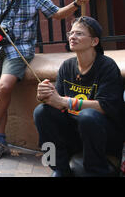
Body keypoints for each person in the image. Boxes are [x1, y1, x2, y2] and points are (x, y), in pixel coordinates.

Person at [0, 0, 90, 161]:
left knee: (4, 88)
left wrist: (76, 3)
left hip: (20, 50)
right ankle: (0, 142)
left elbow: (56, 14)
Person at [34, 16, 124, 177]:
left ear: (94, 42)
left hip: (103, 135)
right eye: (71, 33)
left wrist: (64, 101)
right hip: (75, 133)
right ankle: (59, 168)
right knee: (41, 111)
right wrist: (45, 95)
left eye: (79, 34)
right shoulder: (67, 66)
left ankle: (96, 171)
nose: (72, 37)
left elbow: (105, 107)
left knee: (87, 116)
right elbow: (58, 102)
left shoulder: (106, 67)